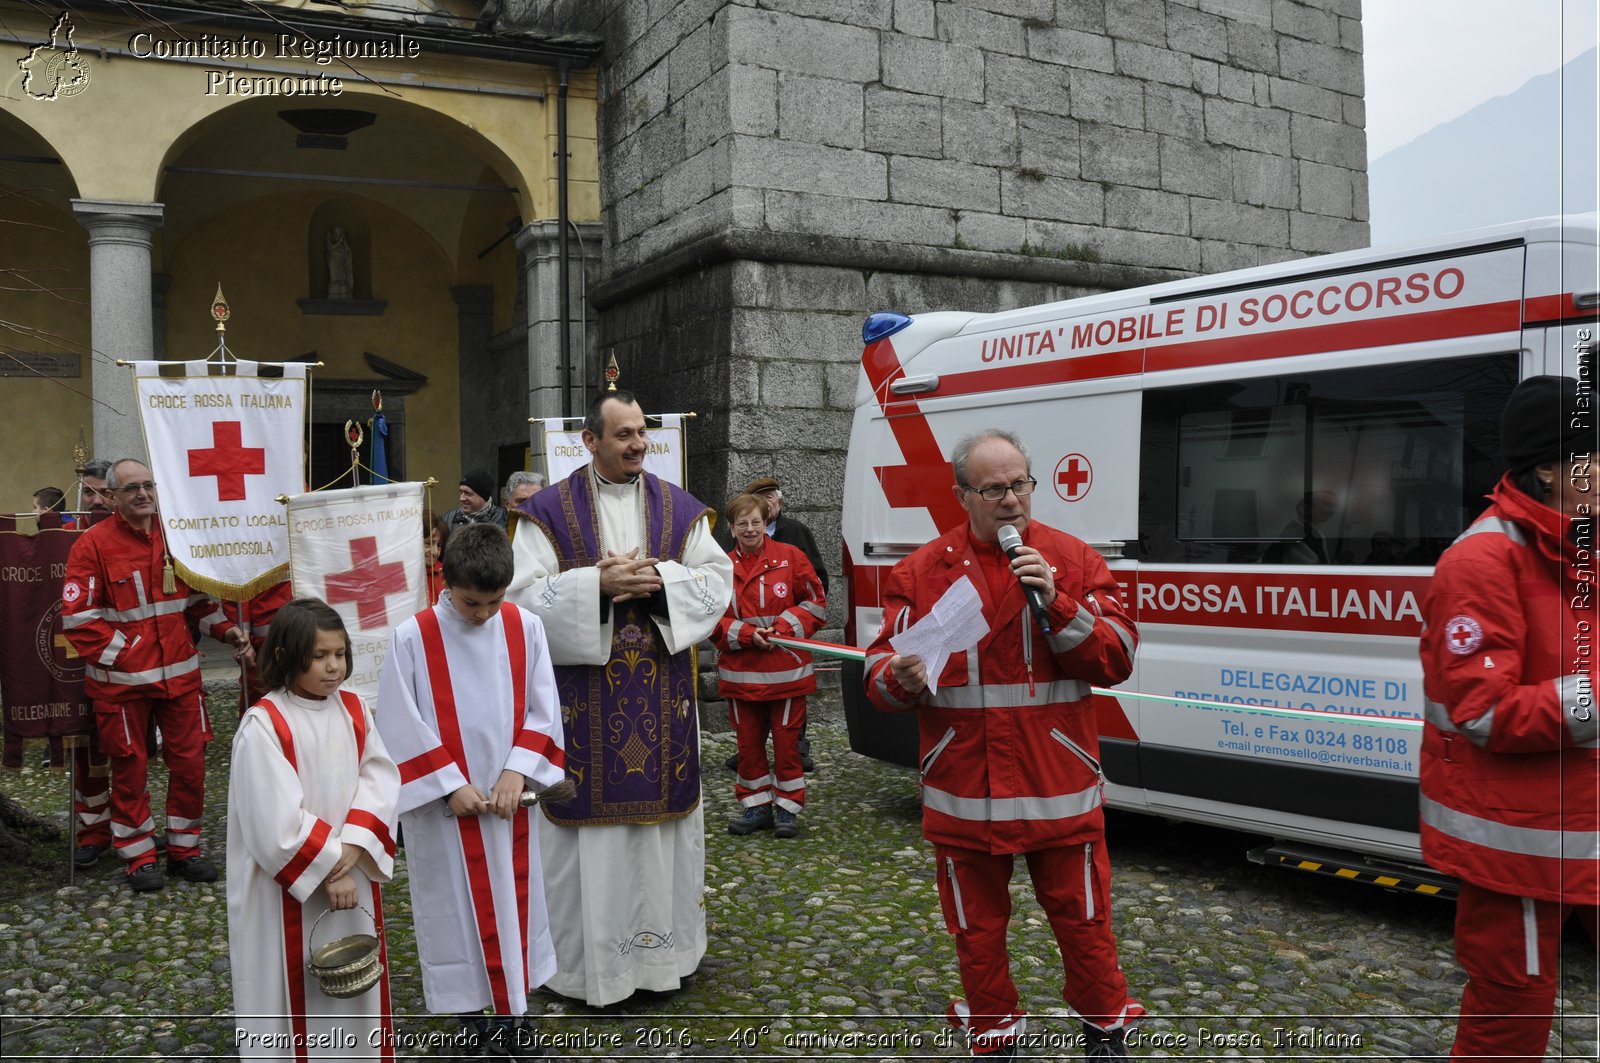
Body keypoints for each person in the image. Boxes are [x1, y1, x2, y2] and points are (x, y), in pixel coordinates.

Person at [864, 430, 1143, 1060]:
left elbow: (1118, 657)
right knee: (976, 928)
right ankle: (994, 1034)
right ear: (963, 495)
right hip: (965, 788)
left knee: (1085, 916)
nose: (1012, 499)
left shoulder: (1070, 559)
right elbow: (879, 671)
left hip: (1056, 784)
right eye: (995, 488)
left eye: (1021, 483)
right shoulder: (919, 571)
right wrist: (896, 678)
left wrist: (1059, 602)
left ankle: (1105, 1027)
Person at [507, 390, 732, 1006]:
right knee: (588, 843)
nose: (638, 444)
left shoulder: (681, 510)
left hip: (662, 707)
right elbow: (520, 600)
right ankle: (584, 970)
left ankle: (666, 958)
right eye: (624, 434)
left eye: (642, 433)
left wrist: (662, 581)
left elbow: (718, 584)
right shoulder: (548, 513)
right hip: (585, 709)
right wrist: (595, 586)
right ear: (590, 441)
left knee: (660, 839)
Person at [1417, 374, 1599, 1063]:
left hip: (1584, 824)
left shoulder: (1585, 545)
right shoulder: (1481, 559)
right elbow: (1485, 710)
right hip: (1518, 846)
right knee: (1511, 1018)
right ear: (1551, 468)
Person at [377, 523, 567, 1056]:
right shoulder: (412, 636)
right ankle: (468, 1016)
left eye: (494, 601)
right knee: (453, 908)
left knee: (514, 905)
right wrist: (448, 785)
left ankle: (515, 1015)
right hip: (447, 811)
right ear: (446, 581)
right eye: (471, 602)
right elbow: (398, 721)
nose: (483, 614)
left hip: (509, 803)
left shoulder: (524, 625)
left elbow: (543, 707)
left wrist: (517, 771)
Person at [59, 458, 252, 890]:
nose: (143, 494)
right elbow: (79, 620)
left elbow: (196, 603)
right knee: (131, 772)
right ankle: (139, 855)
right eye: (132, 489)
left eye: (149, 485)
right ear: (111, 497)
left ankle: (185, 849)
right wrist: (129, 655)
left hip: (182, 683)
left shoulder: (175, 537)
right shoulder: (91, 545)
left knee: (190, 766)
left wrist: (227, 630)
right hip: (123, 689)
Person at [227, 597, 400, 1059]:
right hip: (288, 887)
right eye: (319, 656)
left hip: (349, 868)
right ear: (284, 657)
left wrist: (353, 848)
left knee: (358, 989)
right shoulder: (264, 724)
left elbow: (379, 778)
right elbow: (273, 821)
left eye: (340, 654)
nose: (333, 667)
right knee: (292, 993)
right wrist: (332, 868)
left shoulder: (355, 710)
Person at [710, 492, 826, 839]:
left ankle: (788, 809)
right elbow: (709, 617)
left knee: (788, 745)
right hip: (741, 677)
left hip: (786, 675)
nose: (750, 529)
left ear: (766, 524)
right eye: (742, 523)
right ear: (731, 529)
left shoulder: (791, 557)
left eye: (756, 522)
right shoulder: (719, 568)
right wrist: (747, 635)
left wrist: (782, 629)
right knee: (747, 744)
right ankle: (756, 806)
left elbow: (816, 603)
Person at [1262, 489, 1336, 564]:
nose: (1332, 510)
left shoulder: (1313, 533)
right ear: (1303, 508)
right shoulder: (1296, 536)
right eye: (1326, 504)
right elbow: (1311, 571)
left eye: (1334, 506)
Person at [424, 510, 449, 604]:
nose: (435, 552)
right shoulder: (402, 577)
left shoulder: (447, 574)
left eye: (439, 545)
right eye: (428, 543)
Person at [326, 225, 354, 300]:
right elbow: (331, 248)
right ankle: (334, 285)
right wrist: (340, 241)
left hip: (342, 259)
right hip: (333, 259)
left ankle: (342, 285)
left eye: (340, 233)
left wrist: (344, 242)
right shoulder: (330, 239)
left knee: (342, 276)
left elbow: (348, 251)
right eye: (337, 233)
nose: (338, 235)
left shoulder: (343, 242)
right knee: (334, 275)